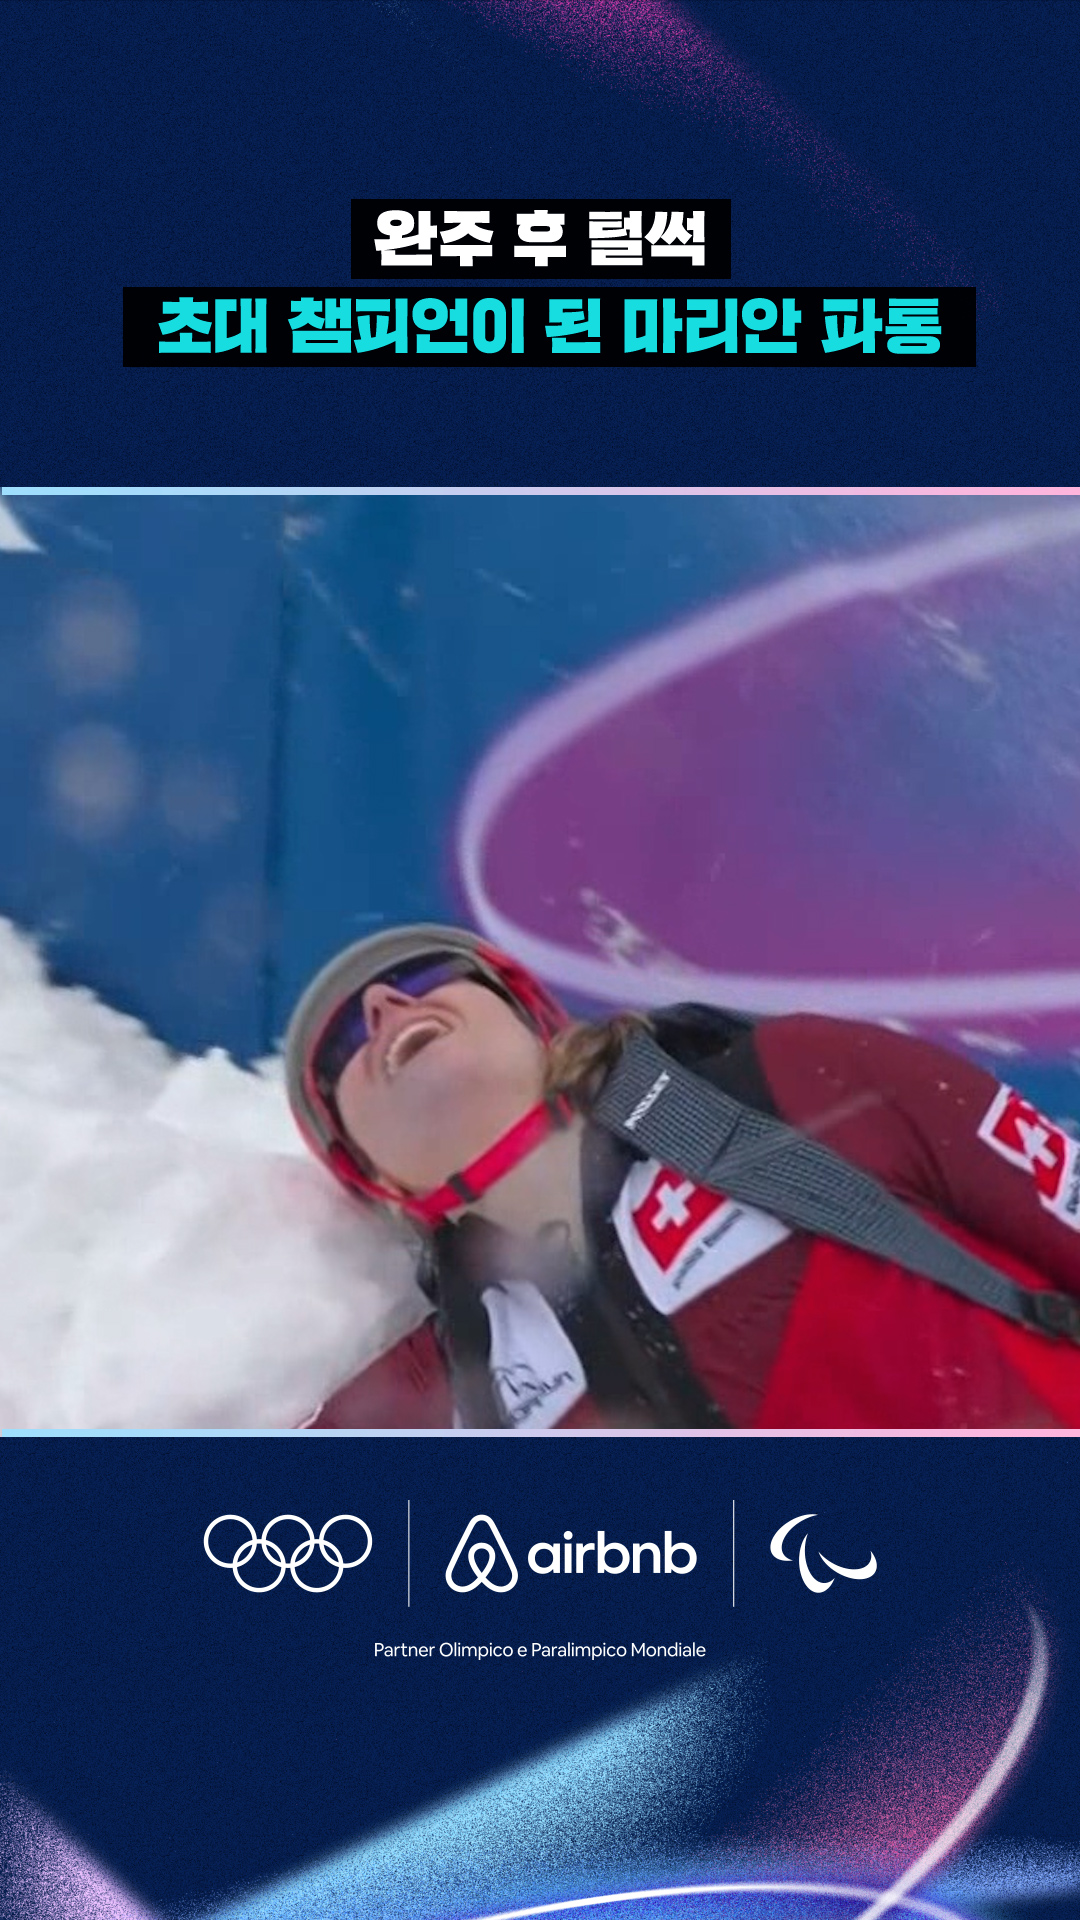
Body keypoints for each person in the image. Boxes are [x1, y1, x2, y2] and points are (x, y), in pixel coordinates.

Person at [284, 923, 1080, 1430]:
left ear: (531, 1012)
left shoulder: (798, 1080)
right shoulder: (445, 1392)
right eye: (345, 1040)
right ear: (370, 1177)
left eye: (423, 977)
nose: (386, 1005)